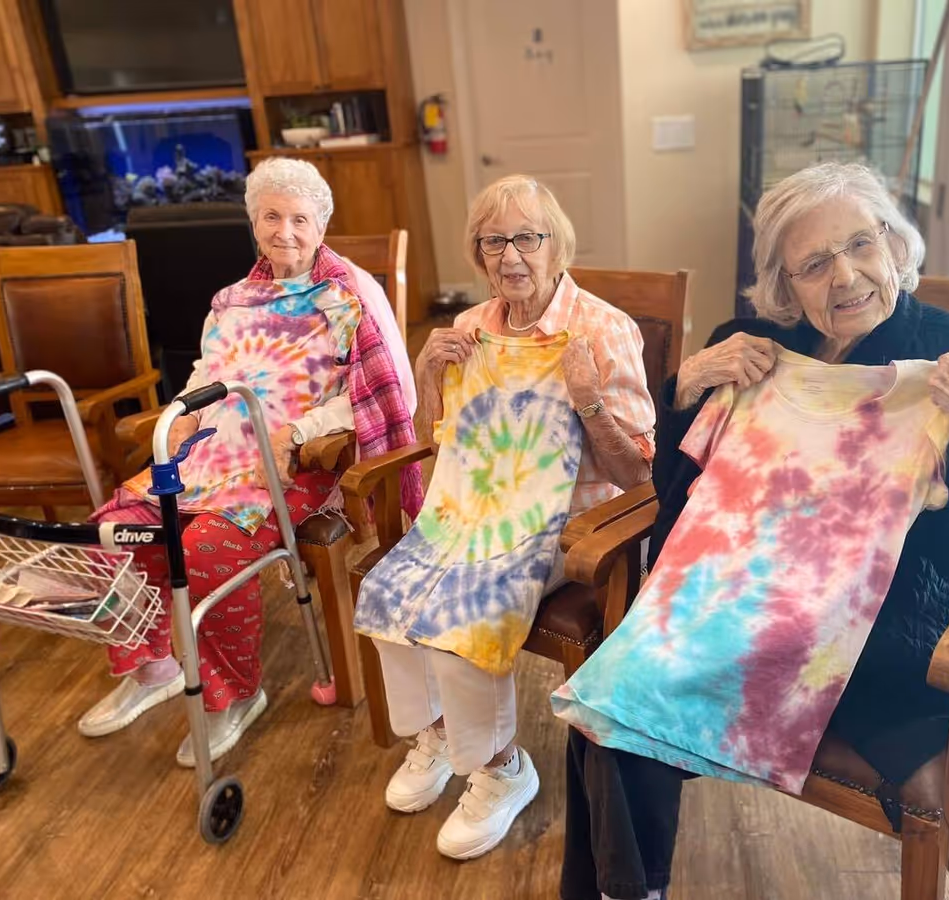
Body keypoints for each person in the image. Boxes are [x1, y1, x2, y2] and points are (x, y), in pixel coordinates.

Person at [557, 161, 949, 900]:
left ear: (894, 245)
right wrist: (685, 391)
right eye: (814, 264)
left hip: (865, 636)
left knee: (623, 696)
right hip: (732, 613)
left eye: (861, 245)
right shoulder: (751, 346)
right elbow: (679, 503)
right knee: (608, 701)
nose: (845, 277)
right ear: (785, 283)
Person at [77, 157, 422, 766]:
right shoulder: (233, 299)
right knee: (113, 530)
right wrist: (182, 410)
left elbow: (388, 392)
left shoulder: (349, 297)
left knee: (206, 549)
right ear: (253, 223)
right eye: (270, 216)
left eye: (298, 218)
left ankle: (232, 694)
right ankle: (153, 665)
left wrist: (299, 431)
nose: (284, 230)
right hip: (209, 454)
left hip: (288, 465)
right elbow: (209, 370)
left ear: (321, 226)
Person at [354, 174, 656, 860]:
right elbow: (440, 445)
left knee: (463, 610)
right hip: (471, 512)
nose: (510, 255)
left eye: (526, 237)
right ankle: (434, 735)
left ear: (556, 244)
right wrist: (429, 375)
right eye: (494, 241)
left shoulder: (604, 330)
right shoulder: (470, 328)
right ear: (478, 252)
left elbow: (640, 473)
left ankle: (500, 770)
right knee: (384, 590)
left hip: (565, 527)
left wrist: (588, 401)